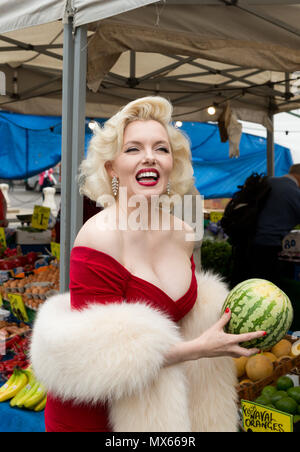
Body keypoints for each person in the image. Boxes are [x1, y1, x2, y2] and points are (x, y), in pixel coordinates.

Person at [29, 97, 265, 432]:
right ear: (111, 169)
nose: (150, 157)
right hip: (97, 416)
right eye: (133, 149)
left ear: (173, 164)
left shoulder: (185, 234)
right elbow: (98, 357)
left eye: (161, 148)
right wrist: (198, 349)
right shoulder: (99, 236)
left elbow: (182, 319)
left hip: (158, 409)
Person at [231, 164, 300, 288]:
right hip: (266, 248)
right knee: (266, 290)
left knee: (241, 287)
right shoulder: (294, 192)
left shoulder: (266, 181)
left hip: (243, 242)